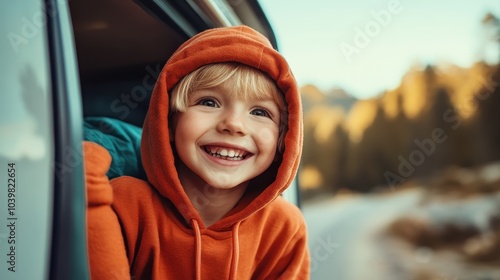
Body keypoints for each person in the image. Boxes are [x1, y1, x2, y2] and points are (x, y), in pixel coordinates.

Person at [84, 25, 309, 280]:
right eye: (208, 102)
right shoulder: (124, 201)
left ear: (282, 140)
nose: (234, 124)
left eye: (260, 112)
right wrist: (87, 191)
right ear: (167, 122)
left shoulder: (284, 227)